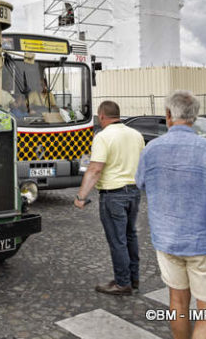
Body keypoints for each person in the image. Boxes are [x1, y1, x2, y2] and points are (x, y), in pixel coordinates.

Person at [137, 90, 206, 339]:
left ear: (168, 115)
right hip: (203, 242)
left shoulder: (151, 149)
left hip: (167, 240)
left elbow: (141, 183)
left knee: (177, 304)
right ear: (194, 118)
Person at [74, 100, 144, 295]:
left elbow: (95, 169)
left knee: (117, 240)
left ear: (102, 116)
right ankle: (134, 278)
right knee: (131, 236)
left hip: (113, 194)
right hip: (134, 192)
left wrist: (81, 196)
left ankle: (122, 283)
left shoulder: (103, 137)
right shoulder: (136, 135)